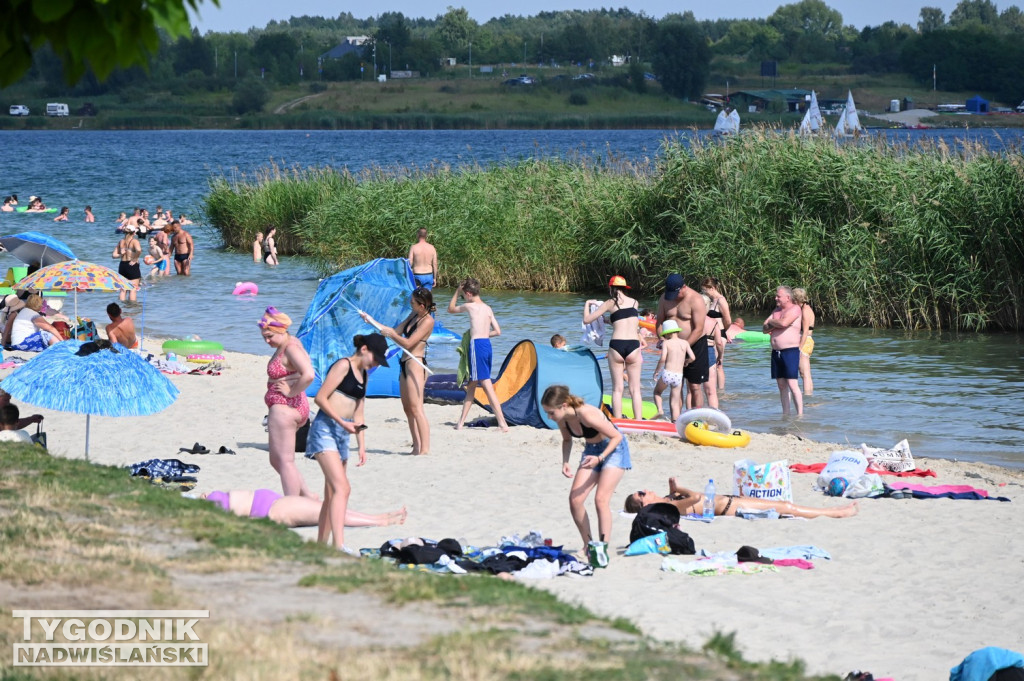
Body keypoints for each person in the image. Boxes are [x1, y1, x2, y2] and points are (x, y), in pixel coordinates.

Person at [307, 333, 390, 553]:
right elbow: (320, 398)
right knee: (343, 488)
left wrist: (361, 444)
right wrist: (342, 422)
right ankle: (338, 546)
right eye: (375, 358)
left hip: (343, 434)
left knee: (332, 493)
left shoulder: (365, 374)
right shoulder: (343, 366)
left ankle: (320, 547)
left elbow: (359, 413)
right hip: (325, 428)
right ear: (364, 349)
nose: (375, 364)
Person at [541, 384, 631, 550]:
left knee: (601, 500)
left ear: (564, 406)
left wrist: (600, 458)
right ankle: (588, 546)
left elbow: (617, 436)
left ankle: (602, 548)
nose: (549, 417)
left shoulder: (586, 414)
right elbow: (567, 440)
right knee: (575, 500)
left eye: (551, 412)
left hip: (614, 450)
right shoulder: (562, 419)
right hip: (591, 451)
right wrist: (565, 462)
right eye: (547, 412)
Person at [362, 287, 435, 456]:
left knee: (417, 408)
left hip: (416, 363)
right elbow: (395, 331)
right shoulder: (413, 315)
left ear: (422, 306)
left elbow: (409, 344)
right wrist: (371, 320)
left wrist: (392, 335)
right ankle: (416, 446)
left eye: (413, 303)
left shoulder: (428, 321)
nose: (410, 305)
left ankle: (425, 449)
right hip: (403, 363)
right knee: (407, 408)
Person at [259, 307, 317, 499]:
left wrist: (291, 391)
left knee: (285, 461)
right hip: (288, 407)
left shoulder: (291, 347)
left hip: (286, 409)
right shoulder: (288, 344)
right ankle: (307, 496)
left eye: (269, 336)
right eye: (264, 337)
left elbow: (309, 374)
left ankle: (292, 503)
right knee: (277, 460)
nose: (267, 341)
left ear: (281, 331)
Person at [624, 478, 859, 519]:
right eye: (642, 494)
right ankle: (836, 512)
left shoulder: (668, 501)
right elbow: (695, 497)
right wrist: (678, 488)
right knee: (787, 507)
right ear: (645, 504)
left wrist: (672, 490)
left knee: (785, 507)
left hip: (731, 501)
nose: (646, 490)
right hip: (732, 507)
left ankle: (834, 511)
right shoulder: (670, 508)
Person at [448, 277, 509, 432]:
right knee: (472, 386)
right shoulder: (488, 308)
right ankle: (460, 423)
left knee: (486, 385)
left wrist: (456, 291)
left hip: (476, 346)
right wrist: (484, 334)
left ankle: (502, 423)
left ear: (468, 293)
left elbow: (451, 309)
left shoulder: (470, 306)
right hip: (487, 345)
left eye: (464, 295)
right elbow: (498, 331)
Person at [583, 275, 644, 419]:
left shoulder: (610, 303)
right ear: (625, 288)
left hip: (617, 344)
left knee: (617, 389)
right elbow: (626, 320)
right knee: (635, 390)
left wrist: (587, 304)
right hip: (634, 345)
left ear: (611, 288)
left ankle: (617, 421)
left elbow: (587, 320)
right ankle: (639, 422)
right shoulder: (635, 302)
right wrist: (608, 321)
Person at [201, 489, 407, 528]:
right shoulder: (210, 513)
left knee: (329, 508)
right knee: (329, 512)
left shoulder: (205, 502)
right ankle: (379, 521)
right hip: (275, 511)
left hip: (275, 504)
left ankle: (377, 517)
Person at [656, 274, 708, 410]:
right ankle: (676, 417)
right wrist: (662, 339)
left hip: (695, 345)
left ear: (684, 287)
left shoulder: (696, 299)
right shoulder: (664, 298)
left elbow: (699, 329)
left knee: (695, 385)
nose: (674, 297)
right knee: (676, 384)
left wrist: (684, 347)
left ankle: (697, 416)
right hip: (673, 346)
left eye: (676, 293)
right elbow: (659, 322)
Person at [763, 286, 803, 415]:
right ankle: (786, 414)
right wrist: (776, 322)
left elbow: (784, 324)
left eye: (778, 296)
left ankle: (800, 414)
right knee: (781, 385)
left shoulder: (795, 309)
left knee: (792, 384)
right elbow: (764, 328)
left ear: (788, 297)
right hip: (776, 352)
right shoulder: (777, 310)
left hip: (790, 351)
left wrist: (773, 322)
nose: (776, 298)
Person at [651, 320, 695, 422]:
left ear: (667, 333)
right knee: (675, 402)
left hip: (667, 373)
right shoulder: (685, 343)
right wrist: (686, 362)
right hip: (678, 376)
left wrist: (657, 371)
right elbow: (693, 357)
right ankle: (675, 422)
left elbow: (662, 359)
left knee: (657, 392)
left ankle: (660, 410)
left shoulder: (667, 343)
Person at [701, 277, 732, 391]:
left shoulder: (721, 300)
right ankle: (711, 388)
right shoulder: (710, 300)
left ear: (712, 288)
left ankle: (720, 391)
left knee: (719, 364)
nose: (704, 292)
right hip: (710, 335)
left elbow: (728, 320)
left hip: (720, 334)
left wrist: (724, 332)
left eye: (705, 290)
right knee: (710, 365)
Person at [792, 287, 815, 396]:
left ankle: (807, 398)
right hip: (808, 341)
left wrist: (799, 348)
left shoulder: (805, 311)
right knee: (806, 374)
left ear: (797, 300)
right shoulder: (808, 308)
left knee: (804, 374)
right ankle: (809, 397)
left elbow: (805, 331)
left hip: (805, 341)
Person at [112, 225, 141, 302]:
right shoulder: (135, 241)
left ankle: (122, 307)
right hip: (132, 265)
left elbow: (114, 255)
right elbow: (139, 250)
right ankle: (132, 308)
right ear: (134, 233)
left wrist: (121, 254)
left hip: (122, 266)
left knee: (123, 289)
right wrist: (135, 259)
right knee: (133, 289)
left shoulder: (121, 241)